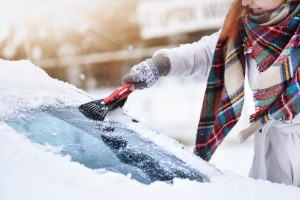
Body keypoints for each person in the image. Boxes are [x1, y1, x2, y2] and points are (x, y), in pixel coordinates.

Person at [122, 0, 300, 186]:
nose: (246, 2)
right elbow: (205, 53)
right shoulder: (247, 28)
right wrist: (159, 65)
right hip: (271, 163)